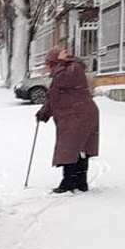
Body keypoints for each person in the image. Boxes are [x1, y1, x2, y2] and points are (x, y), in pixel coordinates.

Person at [36, 48, 99, 193]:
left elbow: (66, 78)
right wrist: (43, 113)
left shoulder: (72, 69)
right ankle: (79, 182)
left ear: (54, 63)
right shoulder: (64, 72)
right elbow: (54, 97)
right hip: (77, 114)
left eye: (48, 64)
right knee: (77, 149)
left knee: (70, 148)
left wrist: (63, 61)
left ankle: (69, 182)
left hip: (78, 115)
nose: (47, 68)